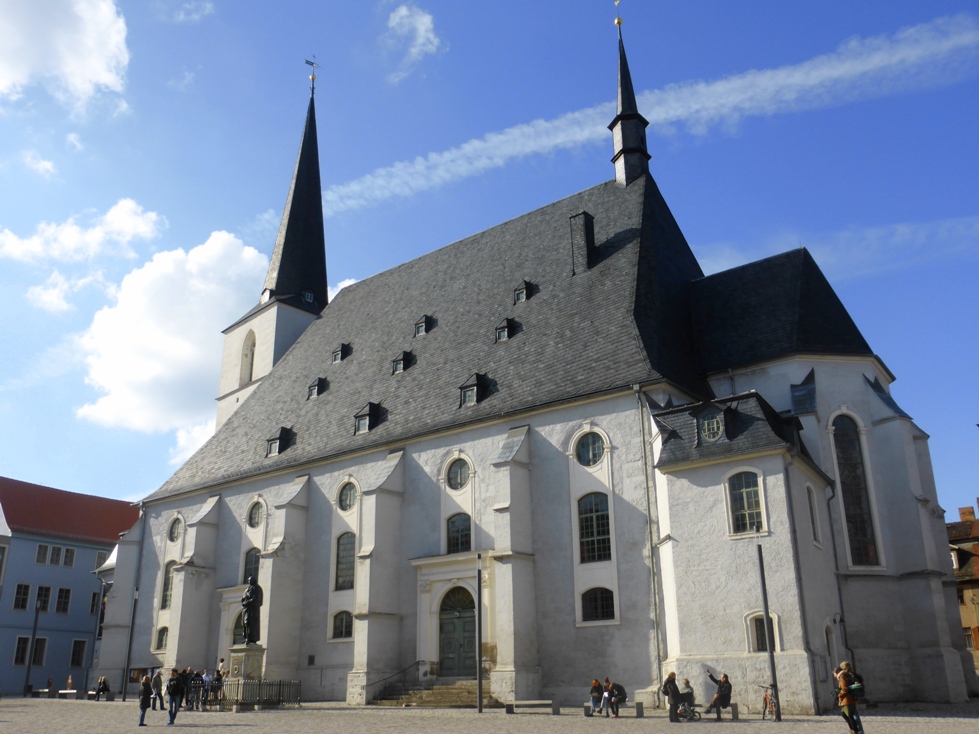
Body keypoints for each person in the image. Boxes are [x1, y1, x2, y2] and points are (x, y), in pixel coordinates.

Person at [835, 661, 865, 734]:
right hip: (853, 697)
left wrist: (840, 694)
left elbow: (845, 688)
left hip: (848, 698)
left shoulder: (844, 675)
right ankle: (858, 730)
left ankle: (856, 731)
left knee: (850, 715)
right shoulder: (851, 674)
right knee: (853, 714)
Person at [241, 576, 264, 644]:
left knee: (249, 622)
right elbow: (243, 597)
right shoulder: (247, 589)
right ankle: (246, 637)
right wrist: (243, 602)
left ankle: (251, 638)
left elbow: (256, 599)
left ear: (254, 580)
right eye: (248, 580)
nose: (248, 582)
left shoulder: (257, 589)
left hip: (252, 610)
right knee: (244, 624)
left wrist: (248, 602)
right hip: (246, 609)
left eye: (250, 580)